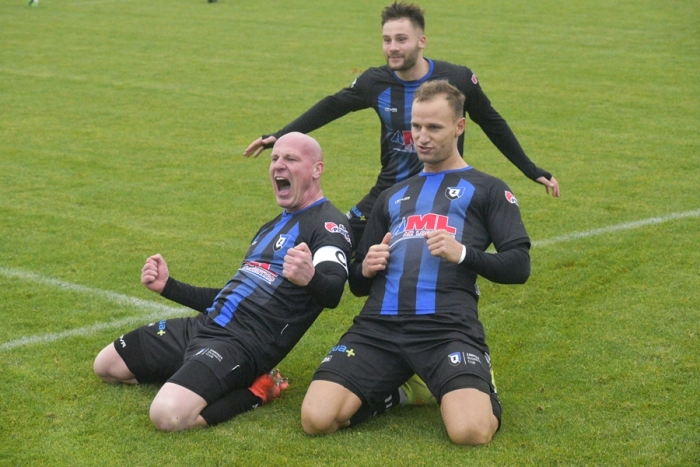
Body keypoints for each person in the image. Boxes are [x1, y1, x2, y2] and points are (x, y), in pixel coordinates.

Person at [300, 80, 532, 445]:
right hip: (379, 328)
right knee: (317, 419)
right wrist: (365, 267)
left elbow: (519, 265)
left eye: (434, 127)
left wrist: (463, 254)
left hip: (446, 329)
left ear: (459, 127)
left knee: (470, 432)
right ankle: (402, 390)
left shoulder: (489, 189)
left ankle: (478, 381)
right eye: (416, 126)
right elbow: (358, 285)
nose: (421, 137)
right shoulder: (393, 195)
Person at [244, 1, 559, 248]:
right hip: (388, 189)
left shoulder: (457, 79)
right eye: (387, 40)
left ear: (422, 41)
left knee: (417, 255)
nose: (392, 47)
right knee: (340, 239)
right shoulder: (374, 82)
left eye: (401, 39)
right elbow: (331, 106)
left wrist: (530, 169)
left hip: (440, 192)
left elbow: (492, 122)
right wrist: (280, 136)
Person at [93, 132, 353, 431]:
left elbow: (332, 292)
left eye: (291, 159)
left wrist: (311, 278)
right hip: (204, 326)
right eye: (274, 158)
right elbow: (235, 296)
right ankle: (197, 373)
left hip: (240, 345)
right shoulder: (271, 226)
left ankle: (258, 389)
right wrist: (169, 286)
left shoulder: (329, 226)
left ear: (317, 169)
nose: (278, 165)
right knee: (107, 366)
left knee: (168, 415)